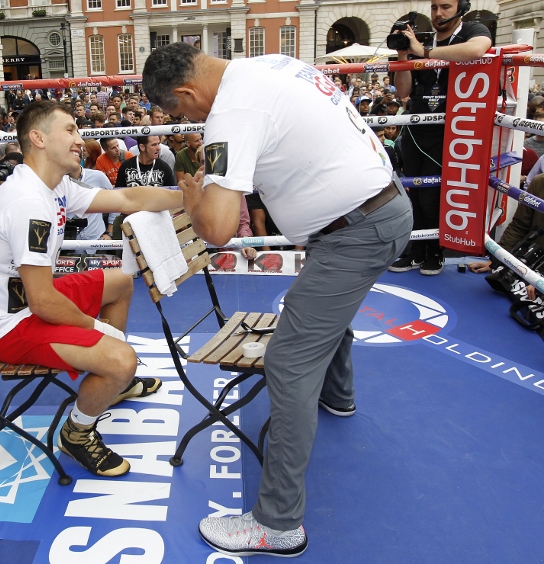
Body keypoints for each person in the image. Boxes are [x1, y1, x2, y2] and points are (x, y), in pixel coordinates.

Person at [143, 41, 413, 558]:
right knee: (319, 308)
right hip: (372, 214)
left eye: (178, 111)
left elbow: (220, 230)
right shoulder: (269, 65)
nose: (186, 122)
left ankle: (278, 523)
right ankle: (338, 394)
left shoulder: (230, 110)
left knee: (288, 360)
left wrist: (194, 195)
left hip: (356, 230)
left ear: (185, 92)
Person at [0, 100, 183, 477]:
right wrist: (103, 331)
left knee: (117, 281)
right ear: (38, 138)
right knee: (120, 359)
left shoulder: (55, 185)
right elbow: (43, 301)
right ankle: (78, 432)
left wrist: (190, 199)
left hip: (28, 303)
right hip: (9, 327)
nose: (80, 139)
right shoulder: (27, 202)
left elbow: (128, 198)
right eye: (69, 130)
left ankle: (112, 381)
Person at [391, 0, 491, 276]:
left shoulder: (471, 29)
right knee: (413, 193)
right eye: (434, 7)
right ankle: (415, 251)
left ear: (462, 7)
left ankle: (434, 251)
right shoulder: (420, 38)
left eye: (445, 6)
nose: (438, 13)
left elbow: (477, 49)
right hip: (414, 129)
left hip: (451, 130)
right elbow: (403, 92)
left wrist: (424, 52)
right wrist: (403, 56)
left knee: (433, 197)